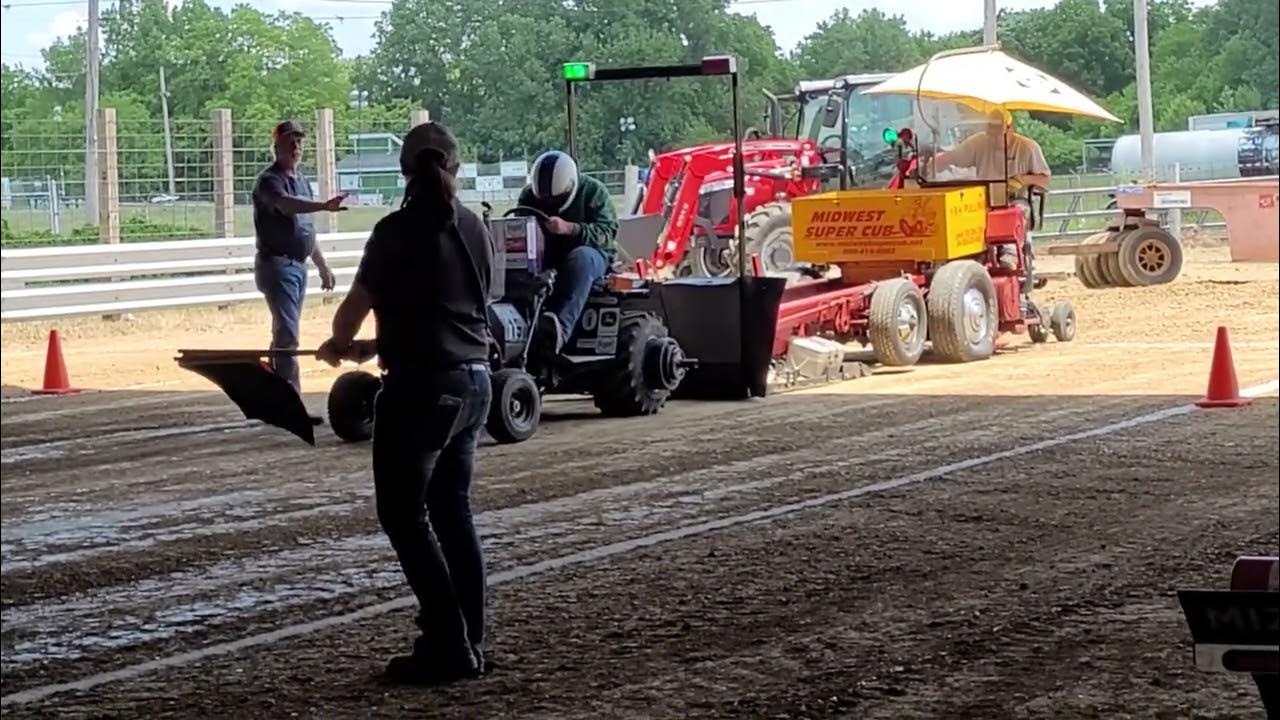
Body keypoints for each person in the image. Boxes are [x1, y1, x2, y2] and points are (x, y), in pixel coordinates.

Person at [317, 121, 495, 685]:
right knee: (452, 509)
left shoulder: (394, 231)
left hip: (420, 390)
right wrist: (378, 343)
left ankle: (446, 640)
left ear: (404, 171)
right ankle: (471, 636)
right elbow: (454, 312)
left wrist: (343, 343)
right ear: (455, 167)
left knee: (402, 514)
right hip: (474, 384)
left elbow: (351, 313)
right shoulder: (475, 228)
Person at [251, 119, 347, 406]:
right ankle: (290, 400)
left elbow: (305, 228)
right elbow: (285, 205)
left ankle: (274, 389)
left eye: (299, 141)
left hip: (296, 265)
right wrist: (323, 206)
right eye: (290, 141)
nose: (296, 146)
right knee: (288, 334)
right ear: (276, 146)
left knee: (285, 331)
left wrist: (321, 264)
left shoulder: (302, 181)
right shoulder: (270, 181)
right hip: (278, 264)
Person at [516, 150, 618, 355]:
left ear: (571, 186)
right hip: (546, 259)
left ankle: (560, 329)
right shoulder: (529, 196)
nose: (551, 206)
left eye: (556, 201)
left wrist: (570, 228)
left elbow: (607, 232)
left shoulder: (593, 192)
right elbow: (518, 224)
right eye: (545, 202)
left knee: (581, 257)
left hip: (592, 259)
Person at [933, 109, 1051, 280]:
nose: (995, 139)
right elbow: (953, 157)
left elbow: (1045, 179)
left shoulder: (1028, 148)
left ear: (1011, 128)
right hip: (982, 200)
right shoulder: (979, 142)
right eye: (992, 134)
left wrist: (1022, 179)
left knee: (1016, 211)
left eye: (1000, 134)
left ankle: (1010, 253)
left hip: (1014, 200)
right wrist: (931, 163)